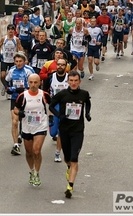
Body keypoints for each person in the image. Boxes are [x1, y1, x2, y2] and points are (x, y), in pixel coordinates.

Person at [49, 70, 91, 199]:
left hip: (78, 130)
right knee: (67, 158)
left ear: (79, 81)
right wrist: (58, 115)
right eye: (71, 81)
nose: (73, 83)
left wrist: (87, 114)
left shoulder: (84, 94)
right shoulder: (62, 94)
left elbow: (88, 103)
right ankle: (68, 167)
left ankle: (70, 186)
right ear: (68, 81)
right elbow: (51, 106)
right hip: (64, 130)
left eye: (75, 81)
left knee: (74, 158)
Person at [14, 74, 51, 186]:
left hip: (40, 126)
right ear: (28, 83)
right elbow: (16, 108)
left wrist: (52, 117)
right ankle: (31, 170)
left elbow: (53, 105)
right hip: (27, 127)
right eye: (31, 82)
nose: (33, 85)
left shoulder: (44, 95)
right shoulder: (22, 96)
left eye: (36, 82)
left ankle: (37, 172)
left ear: (40, 83)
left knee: (36, 150)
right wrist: (18, 113)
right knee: (29, 152)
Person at [4, 52, 35, 155]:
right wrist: (8, 88)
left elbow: (35, 86)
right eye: (16, 61)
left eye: (20, 61)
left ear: (24, 61)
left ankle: (23, 134)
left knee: (25, 121)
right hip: (15, 99)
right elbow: (6, 80)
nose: (18, 63)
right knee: (14, 121)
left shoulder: (29, 70)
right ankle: (16, 145)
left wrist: (22, 89)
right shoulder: (12, 70)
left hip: (27, 98)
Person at [42, 58, 69, 162]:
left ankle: (57, 153)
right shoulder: (50, 77)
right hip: (54, 106)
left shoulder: (69, 78)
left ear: (66, 66)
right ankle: (53, 129)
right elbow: (45, 92)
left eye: (63, 65)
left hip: (65, 107)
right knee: (53, 133)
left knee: (60, 132)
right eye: (58, 64)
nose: (60, 66)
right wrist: (49, 109)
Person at [0, 24, 23, 98]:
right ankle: (5, 86)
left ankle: (9, 90)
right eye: (9, 29)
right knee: (2, 76)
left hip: (13, 61)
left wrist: (21, 55)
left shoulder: (16, 39)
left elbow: (19, 47)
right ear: (7, 30)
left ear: (14, 31)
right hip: (4, 60)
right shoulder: (3, 38)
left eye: (12, 29)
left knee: (11, 77)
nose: (11, 31)